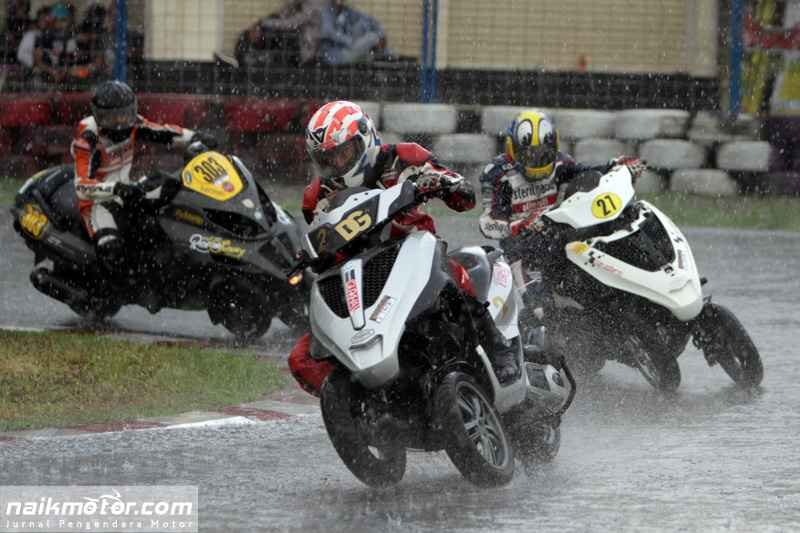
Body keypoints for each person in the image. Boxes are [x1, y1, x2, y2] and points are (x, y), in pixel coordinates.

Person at [288, 100, 519, 397]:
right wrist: (309, 255)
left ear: (364, 137)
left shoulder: (402, 158)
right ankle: (358, 401)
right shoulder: (316, 196)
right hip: (359, 276)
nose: (337, 164)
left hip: (413, 251)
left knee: (454, 273)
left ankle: (497, 346)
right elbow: (322, 252)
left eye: (343, 153)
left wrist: (445, 184)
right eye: (327, 159)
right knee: (301, 357)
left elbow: (463, 197)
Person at [478, 109, 646, 312]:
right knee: (540, 310)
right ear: (513, 148)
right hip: (524, 253)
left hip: (560, 241)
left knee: (596, 285)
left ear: (554, 146)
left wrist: (616, 166)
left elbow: (591, 176)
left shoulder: (560, 162)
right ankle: (535, 333)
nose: (536, 162)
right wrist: (519, 226)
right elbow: (488, 223)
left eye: (543, 154)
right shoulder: (498, 172)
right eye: (528, 155)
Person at [71, 80, 216, 277]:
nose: (122, 120)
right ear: (100, 116)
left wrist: (196, 137)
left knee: (169, 187)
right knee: (111, 250)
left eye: (125, 113)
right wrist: (116, 188)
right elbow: (81, 186)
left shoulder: (132, 123)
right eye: (113, 116)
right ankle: (110, 281)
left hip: (126, 189)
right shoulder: (88, 139)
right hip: (97, 203)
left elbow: (163, 132)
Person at [318, 0, 396, 67]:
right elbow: (328, 32)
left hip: (349, 48)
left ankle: (388, 58)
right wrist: (350, 40)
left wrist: (382, 34)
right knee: (373, 37)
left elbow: (371, 19)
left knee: (364, 24)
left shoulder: (347, 10)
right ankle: (393, 58)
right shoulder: (326, 11)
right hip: (337, 55)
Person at [32, 3, 76, 84]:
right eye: (62, 20)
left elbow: (72, 57)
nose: (65, 23)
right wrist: (52, 71)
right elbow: (37, 60)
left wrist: (67, 71)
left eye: (66, 20)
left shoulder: (69, 36)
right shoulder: (44, 36)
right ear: (54, 20)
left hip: (65, 77)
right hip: (45, 77)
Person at [16, 5, 50, 70]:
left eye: (47, 19)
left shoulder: (50, 36)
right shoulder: (31, 35)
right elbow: (21, 55)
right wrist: (35, 64)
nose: (45, 21)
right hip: (30, 69)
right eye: (42, 19)